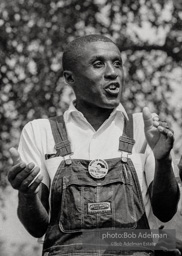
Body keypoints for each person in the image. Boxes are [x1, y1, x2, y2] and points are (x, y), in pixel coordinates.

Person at [8, 34, 180, 256]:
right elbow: (36, 228)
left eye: (117, 63)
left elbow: (166, 212)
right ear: (70, 78)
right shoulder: (39, 131)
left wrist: (163, 160)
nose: (113, 72)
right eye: (98, 64)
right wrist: (27, 194)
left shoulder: (144, 129)